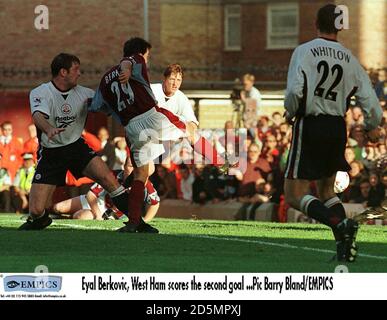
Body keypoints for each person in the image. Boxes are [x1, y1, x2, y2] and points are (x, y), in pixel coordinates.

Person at [90, 38, 231, 233]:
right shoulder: (134, 61)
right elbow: (129, 62)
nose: (146, 60)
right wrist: (127, 68)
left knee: (143, 172)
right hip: (149, 117)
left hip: (130, 127)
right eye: (147, 56)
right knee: (191, 133)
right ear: (140, 53)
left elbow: (97, 106)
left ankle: (134, 222)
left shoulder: (106, 79)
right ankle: (220, 162)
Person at [283, 4, 383, 262]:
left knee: (294, 194)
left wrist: (290, 111)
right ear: (340, 26)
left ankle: (339, 225)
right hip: (337, 126)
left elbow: (294, 91)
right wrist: (373, 125)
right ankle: (344, 247)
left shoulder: (304, 51)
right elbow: (369, 99)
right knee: (328, 191)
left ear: (316, 23)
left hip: (311, 124)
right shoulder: (350, 58)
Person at [18, 53, 129, 231]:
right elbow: (38, 116)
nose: (79, 73)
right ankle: (40, 219)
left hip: (76, 147)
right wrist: (49, 129)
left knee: (109, 179)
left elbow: (108, 108)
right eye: (76, 69)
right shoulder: (40, 92)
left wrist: (122, 106)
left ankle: (136, 220)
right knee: (36, 210)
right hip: (51, 152)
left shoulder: (86, 94)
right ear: (63, 72)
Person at [52, 167, 160, 222]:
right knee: (58, 207)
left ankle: (72, 216)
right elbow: (91, 195)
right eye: (128, 165)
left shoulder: (144, 183)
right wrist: (97, 215)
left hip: (110, 213)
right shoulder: (113, 175)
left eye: (132, 167)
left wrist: (146, 219)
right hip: (99, 200)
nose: (129, 169)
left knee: (80, 216)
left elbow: (155, 203)